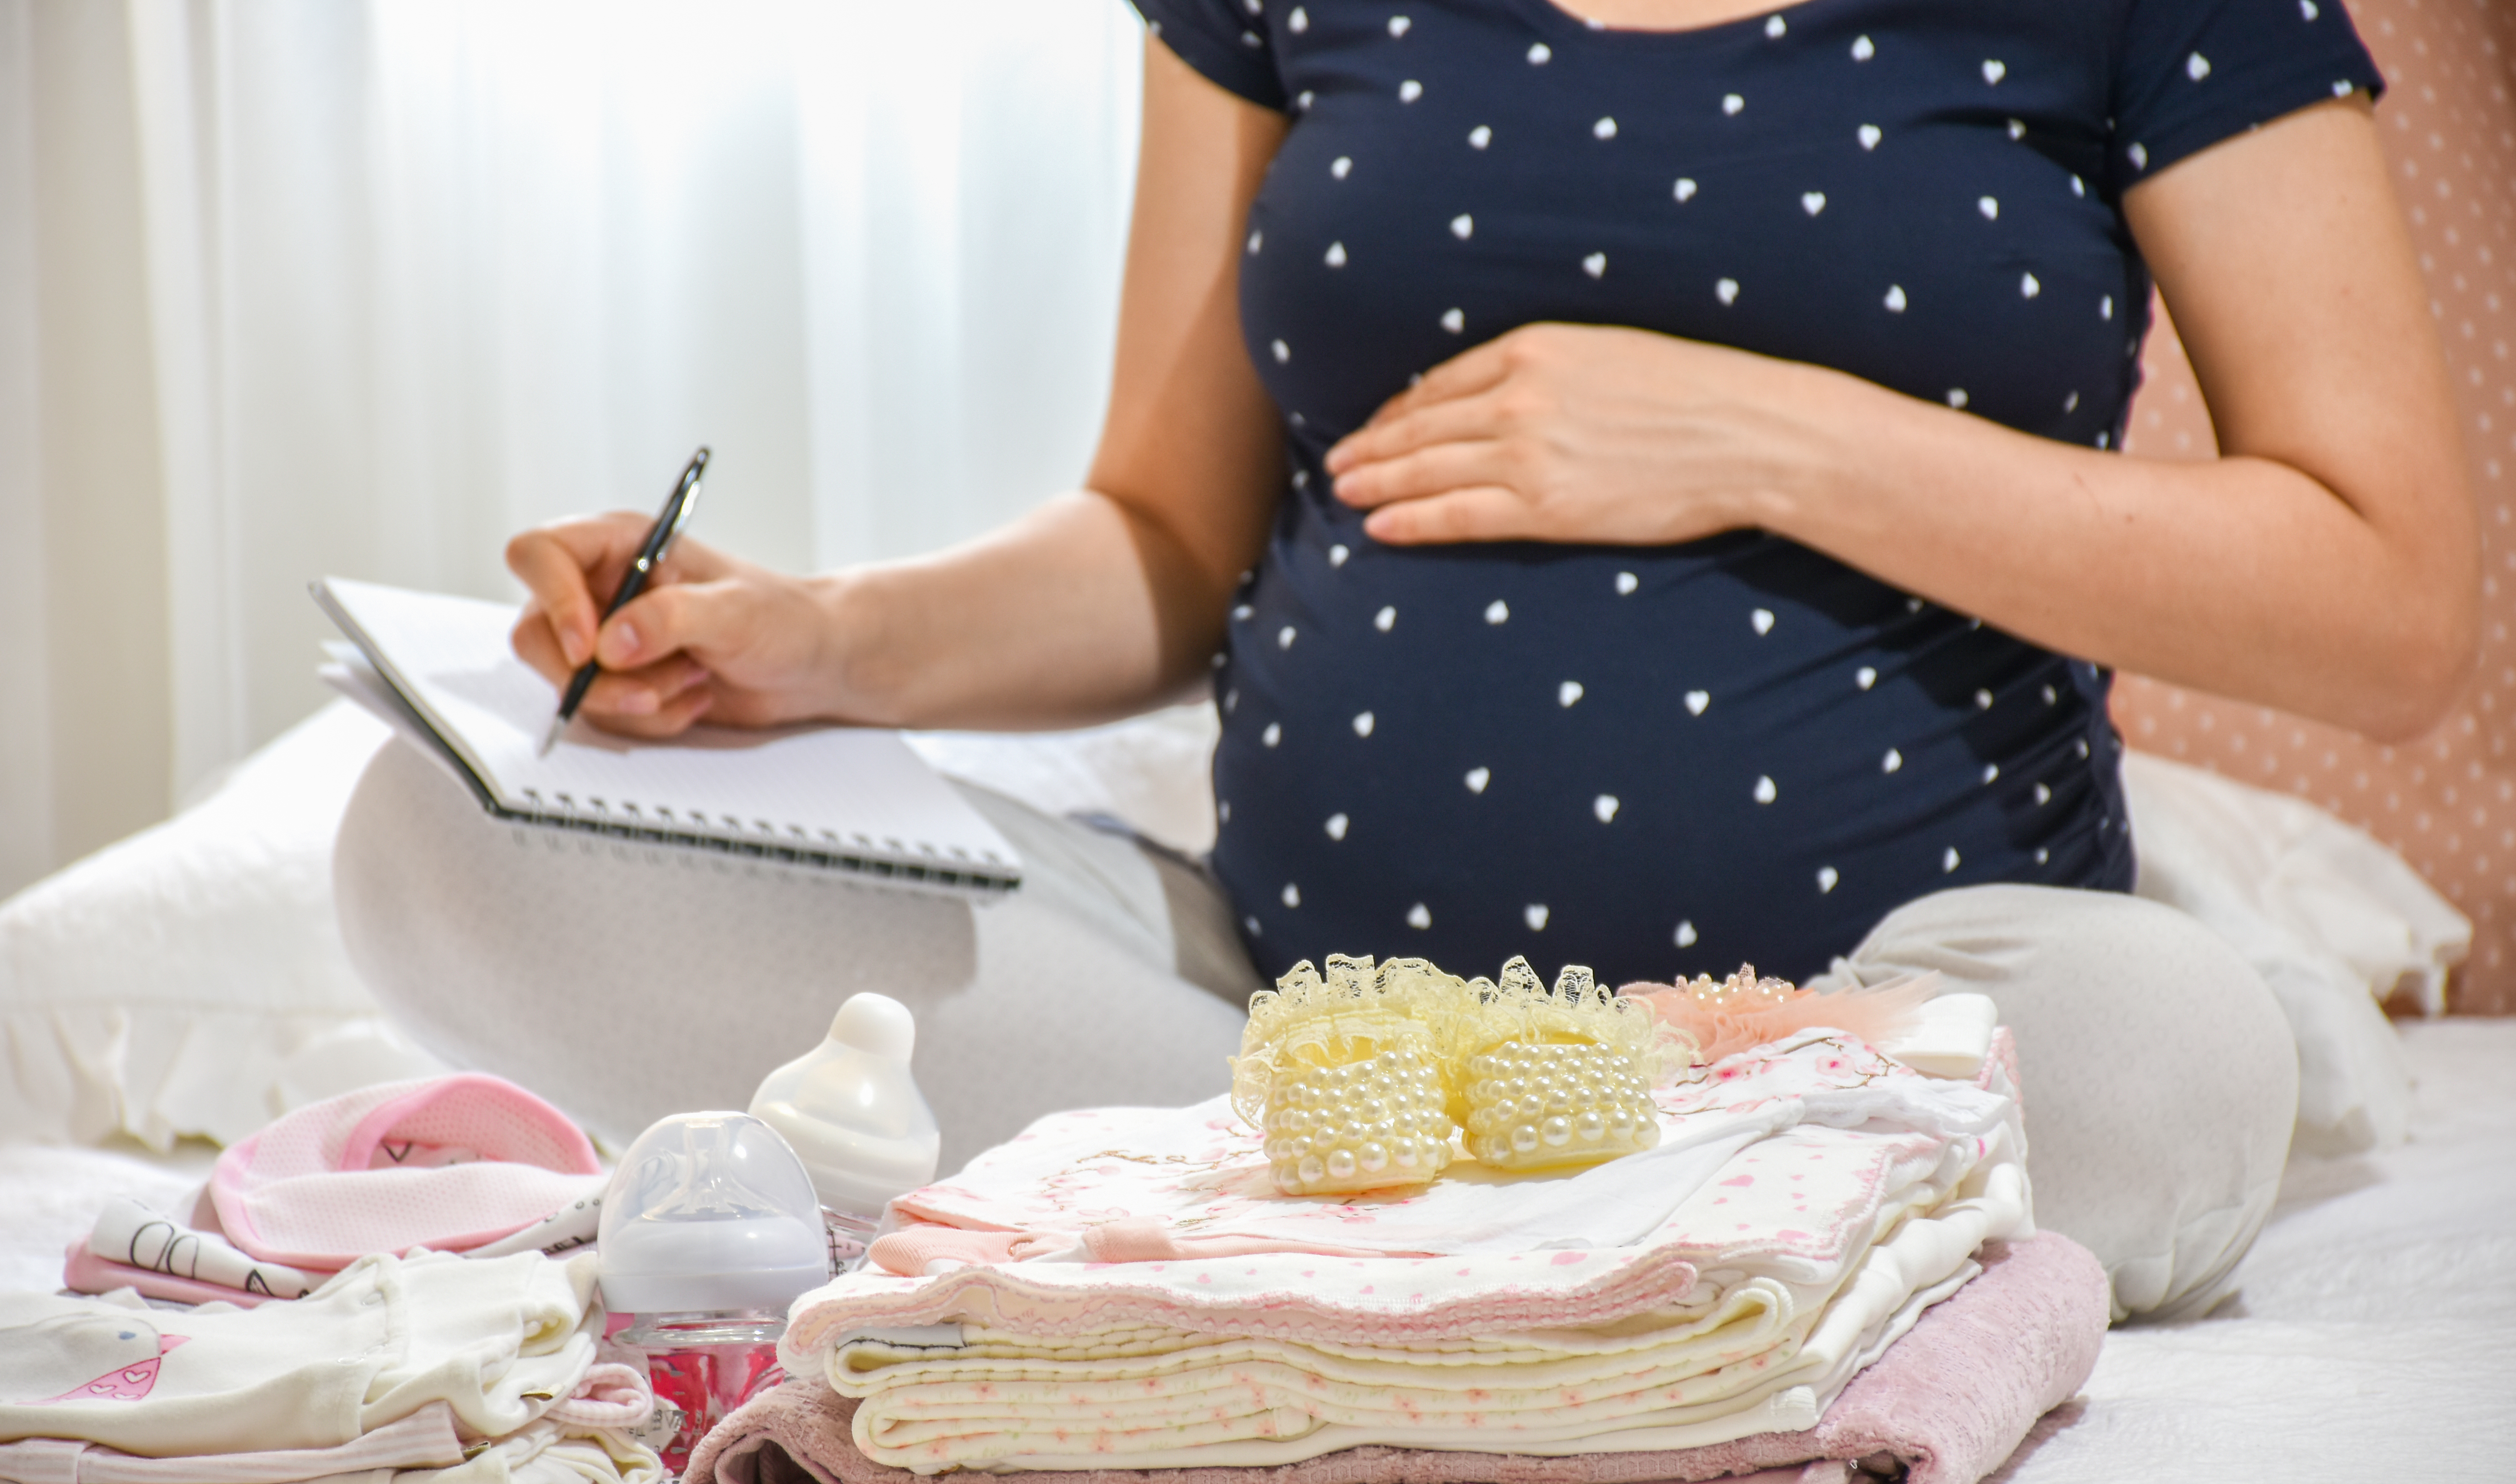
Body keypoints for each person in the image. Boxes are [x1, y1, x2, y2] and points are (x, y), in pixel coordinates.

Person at [334, 0, 2475, 1320]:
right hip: (1286, 1027)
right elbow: (1170, 545)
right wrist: (818, 642)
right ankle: (1560, 1260)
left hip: (1873, 1009)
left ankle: (1268, 1244)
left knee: (2159, 1063)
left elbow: (2388, 605)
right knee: (448, 835)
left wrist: (1764, 433)